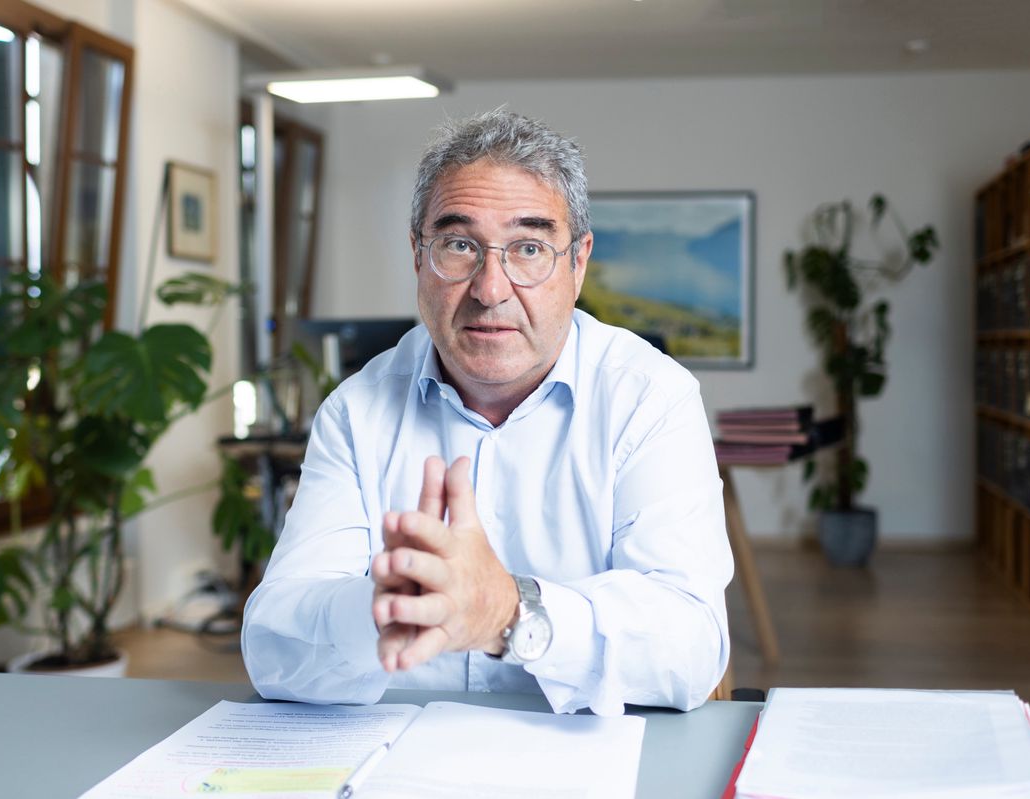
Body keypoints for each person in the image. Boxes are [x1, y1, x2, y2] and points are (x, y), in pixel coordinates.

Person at [241, 109, 732, 716]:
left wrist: (509, 612)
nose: (490, 288)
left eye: (528, 248)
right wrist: (386, 606)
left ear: (578, 264)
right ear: (418, 257)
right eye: (458, 245)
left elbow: (690, 646)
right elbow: (272, 647)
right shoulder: (356, 411)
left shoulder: (649, 398)